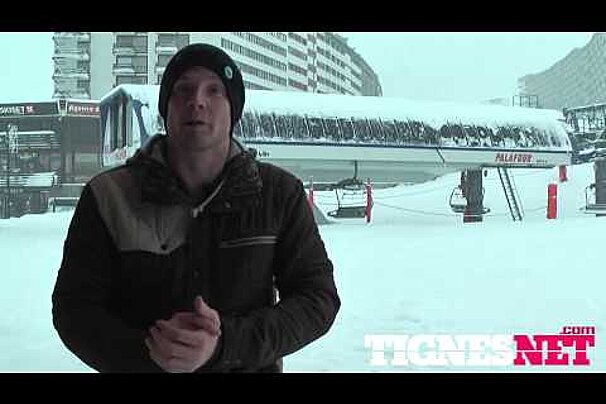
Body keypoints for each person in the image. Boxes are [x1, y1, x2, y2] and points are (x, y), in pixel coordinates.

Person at [52, 43, 341, 373]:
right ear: (166, 108)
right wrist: (153, 354)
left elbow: (317, 299)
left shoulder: (279, 193)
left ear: (234, 110)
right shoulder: (109, 196)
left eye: (214, 90)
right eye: (183, 89)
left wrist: (226, 345)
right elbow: (74, 309)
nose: (197, 101)